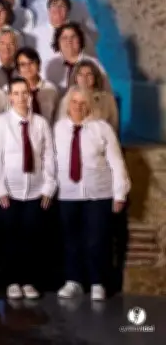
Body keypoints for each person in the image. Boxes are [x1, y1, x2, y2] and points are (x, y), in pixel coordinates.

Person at [54, 87, 130, 301]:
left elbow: (116, 162)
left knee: (97, 239)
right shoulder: (58, 128)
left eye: (83, 103)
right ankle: (73, 281)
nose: (78, 106)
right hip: (67, 194)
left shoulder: (102, 128)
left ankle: (97, 282)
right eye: (74, 102)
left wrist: (120, 193)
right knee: (71, 239)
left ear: (89, 105)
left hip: (98, 194)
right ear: (68, 104)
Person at [0, 78, 56, 300]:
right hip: (10, 191)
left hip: (36, 190)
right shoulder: (1, 122)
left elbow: (48, 155)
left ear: (30, 95)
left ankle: (28, 280)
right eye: (16, 93)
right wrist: (0, 187)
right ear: (10, 97)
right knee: (10, 236)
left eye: (24, 93)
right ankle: (11, 281)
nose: (20, 97)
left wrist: (49, 186)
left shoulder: (41, 123)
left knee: (32, 236)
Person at [58, 60, 119, 133]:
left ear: (95, 77)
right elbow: (61, 121)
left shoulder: (107, 99)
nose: (84, 78)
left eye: (89, 74)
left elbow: (113, 126)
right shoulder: (68, 97)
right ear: (76, 77)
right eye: (80, 74)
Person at [15, 47, 60, 124]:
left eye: (31, 63)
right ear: (18, 69)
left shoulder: (51, 89)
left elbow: (57, 118)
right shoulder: (10, 90)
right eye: (23, 64)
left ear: (38, 65)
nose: (27, 68)